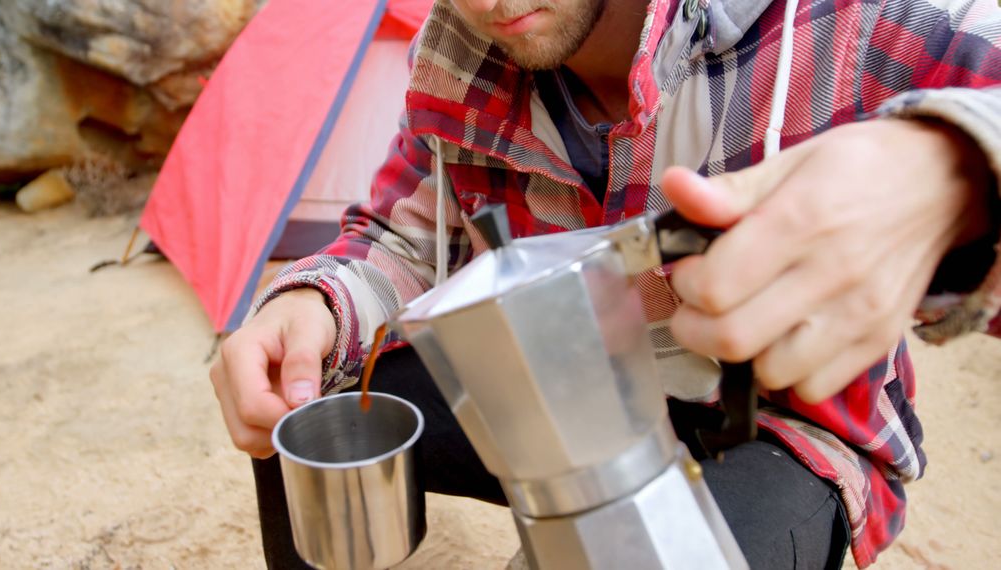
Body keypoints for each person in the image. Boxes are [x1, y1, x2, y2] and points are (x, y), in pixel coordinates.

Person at [210, 0, 1001, 567]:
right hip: (562, 382)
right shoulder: (457, 55)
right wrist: (313, 302)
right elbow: (405, 234)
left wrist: (954, 166)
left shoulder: (845, 26)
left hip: (767, 429)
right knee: (300, 401)